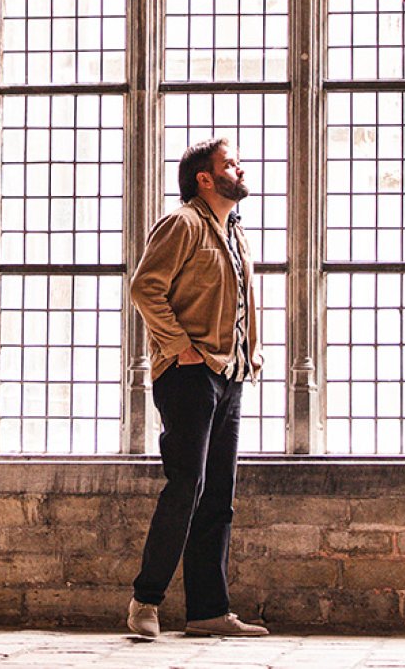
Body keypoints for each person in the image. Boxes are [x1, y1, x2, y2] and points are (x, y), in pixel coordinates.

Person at [125, 138, 270, 640]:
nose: (240, 167)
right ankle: (145, 601)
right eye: (230, 163)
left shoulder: (235, 231)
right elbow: (145, 287)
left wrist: (250, 350)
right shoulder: (183, 223)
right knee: (186, 487)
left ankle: (208, 611)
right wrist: (179, 344)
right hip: (188, 373)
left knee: (218, 495)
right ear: (204, 179)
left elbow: (242, 298)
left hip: (228, 375)